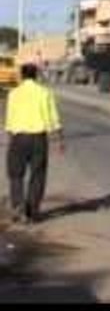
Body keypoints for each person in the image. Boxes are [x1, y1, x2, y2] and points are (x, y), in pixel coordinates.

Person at [5, 64, 65, 225]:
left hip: (18, 138)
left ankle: (18, 206)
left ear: (22, 75)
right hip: (39, 139)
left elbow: (9, 121)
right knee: (38, 175)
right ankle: (31, 212)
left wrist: (11, 140)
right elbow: (54, 119)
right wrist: (60, 140)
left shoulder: (14, 94)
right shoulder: (45, 93)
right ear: (36, 75)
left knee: (15, 174)